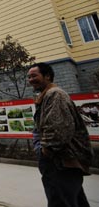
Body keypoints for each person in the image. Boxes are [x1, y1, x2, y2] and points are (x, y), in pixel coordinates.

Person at [28, 63, 93, 207]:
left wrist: (44, 151)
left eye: (34, 75)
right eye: (29, 77)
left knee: (59, 201)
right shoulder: (47, 96)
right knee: (74, 200)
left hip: (60, 162)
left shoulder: (55, 95)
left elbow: (58, 130)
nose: (30, 79)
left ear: (47, 76)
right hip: (61, 161)